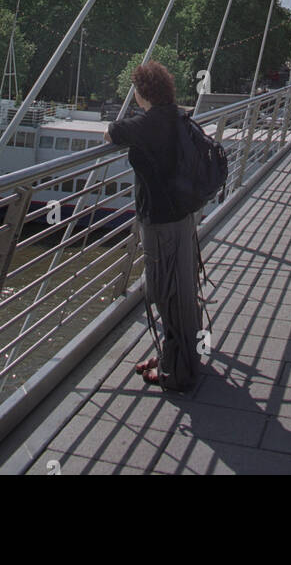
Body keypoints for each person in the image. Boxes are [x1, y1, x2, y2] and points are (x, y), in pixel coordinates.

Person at [106, 60, 202, 391]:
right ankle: (177, 355)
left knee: (165, 291)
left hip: (160, 221)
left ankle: (177, 371)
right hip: (183, 216)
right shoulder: (178, 114)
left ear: (142, 91)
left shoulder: (147, 124)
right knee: (184, 288)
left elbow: (113, 132)